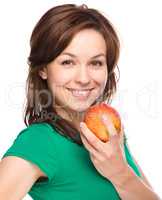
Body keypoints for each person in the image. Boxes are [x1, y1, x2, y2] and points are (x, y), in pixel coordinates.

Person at [0, 3, 160, 200]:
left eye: (95, 63)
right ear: (43, 69)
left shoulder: (108, 129)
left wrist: (120, 172)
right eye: (68, 62)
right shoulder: (39, 142)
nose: (84, 78)